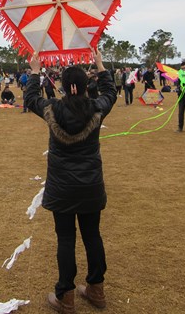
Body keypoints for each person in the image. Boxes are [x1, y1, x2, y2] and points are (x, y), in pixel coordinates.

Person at [25, 49, 116, 313]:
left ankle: (66, 295)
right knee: (92, 235)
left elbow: (31, 98)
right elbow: (110, 93)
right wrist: (99, 64)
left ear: (64, 87)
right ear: (87, 86)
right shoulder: (97, 107)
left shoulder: (52, 108)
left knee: (65, 238)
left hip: (62, 187)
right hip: (90, 185)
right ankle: (96, 289)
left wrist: (34, 70)